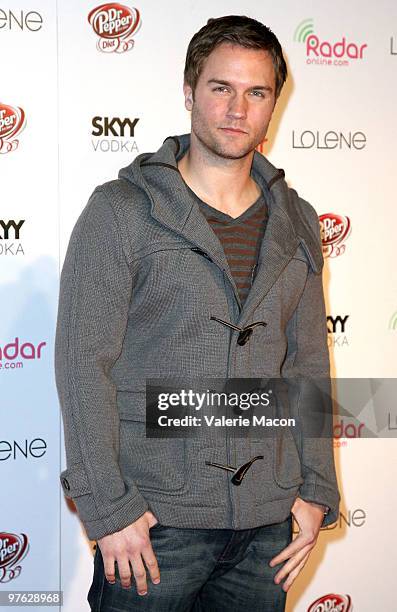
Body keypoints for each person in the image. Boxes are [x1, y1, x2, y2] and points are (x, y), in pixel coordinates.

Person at [55, 14, 340, 612]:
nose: (238, 108)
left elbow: (307, 365)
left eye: (256, 92)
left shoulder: (298, 222)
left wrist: (315, 486)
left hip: (267, 525)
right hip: (155, 522)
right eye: (221, 88)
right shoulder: (122, 212)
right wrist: (109, 507)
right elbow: (84, 366)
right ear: (189, 93)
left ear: (273, 106)